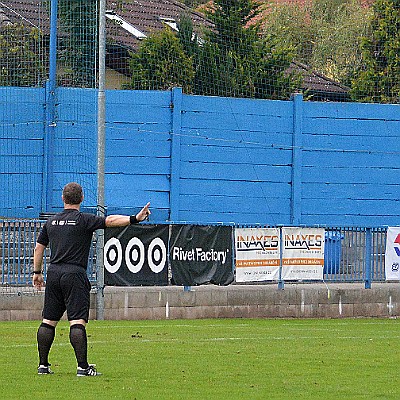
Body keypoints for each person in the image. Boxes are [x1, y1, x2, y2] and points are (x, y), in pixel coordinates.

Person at [32, 182, 150, 377]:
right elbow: (110, 221)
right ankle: (82, 367)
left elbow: (39, 248)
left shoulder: (51, 222)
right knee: (77, 322)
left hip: (53, 273)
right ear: (82, 199)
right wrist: (135, 218)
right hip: (74, 274)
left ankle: (43, 366)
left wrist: (37, 273)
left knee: (48, 321)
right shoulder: (83, 220)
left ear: (63, 199)